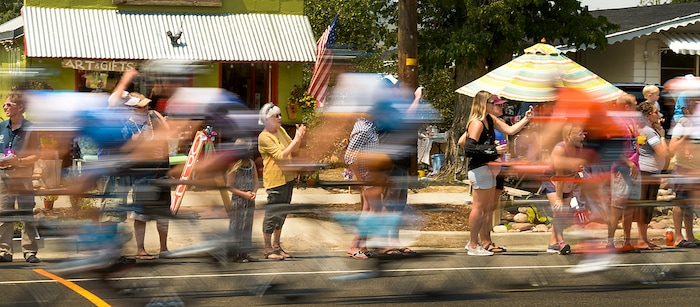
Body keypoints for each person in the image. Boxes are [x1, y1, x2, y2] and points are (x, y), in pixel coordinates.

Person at [475, 94, 533, 253]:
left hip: (499, 168)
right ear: (488, 106)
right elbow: (465, 142)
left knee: (491, 208)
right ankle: (484, 242)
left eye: (502, 105)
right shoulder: (482, 123)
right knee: (485, 208)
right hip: (488, 168)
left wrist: (526, 119)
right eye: (498, 105)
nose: (501, 107)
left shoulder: (498, 123)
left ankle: (488, 241)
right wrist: (489, 148)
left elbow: (511, 131)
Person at [459, 91, 508, 256]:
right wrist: (493, 149)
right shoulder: (477, 122)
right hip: (479, 168)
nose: (497, 104)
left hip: (487, 169)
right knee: (479, 208)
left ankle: (475, 243)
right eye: (492, 101)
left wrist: (492, 147)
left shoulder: (488, 121)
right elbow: (468, 148)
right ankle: (473, 244)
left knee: (485, 209)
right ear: (483, 103)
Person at [258, 102, 306, 260]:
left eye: (280, 115)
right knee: (272, 214)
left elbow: (293, 148)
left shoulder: (280, 130)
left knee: (282, 213)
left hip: (288, 177)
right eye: (276, 116)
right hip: (275, 180)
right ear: (267, 119)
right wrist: (296, 139)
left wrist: (299, 138)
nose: (280, 118)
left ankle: (277, 246)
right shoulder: (264, 137)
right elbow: (280, 155)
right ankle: (267, 248)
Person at [0, 91, 41, 263]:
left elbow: (37, 154)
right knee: (3, 213)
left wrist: (20, 161)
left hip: (23, 175)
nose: (5, 107)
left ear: (20, 107)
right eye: (4, 104)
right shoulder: (1, 126)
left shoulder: (31, 128)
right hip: (3, 175)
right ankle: (4, 251)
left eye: (9, 104)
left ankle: (29, 252)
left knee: (26, 213)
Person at [540, 123, 587, 255]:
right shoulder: (560, 149)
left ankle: (552, 243)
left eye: (584, 134)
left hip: (568, 180)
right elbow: (559, 176)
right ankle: (561, 242)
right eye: (580, 134)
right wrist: (559, 198)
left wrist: (578, 170)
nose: (583, 137)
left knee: (561, 213)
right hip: (553, 180)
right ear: (569, 135)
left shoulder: (579, 147)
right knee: (559, 211)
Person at [606, 94, 643, 252]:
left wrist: (640, 141)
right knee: (617, 207)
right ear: (626, 107)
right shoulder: (615, 123)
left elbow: (634, 141)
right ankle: (610, 242)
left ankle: (627, 241)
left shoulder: (632, 120)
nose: (637, 106)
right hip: (622, 169)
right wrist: (628, 162)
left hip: (635, 167)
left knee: (630, 207)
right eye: (635, 104)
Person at [635, 100, 670, 250]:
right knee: (645, 206)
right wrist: (662, 135)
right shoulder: (649, 132)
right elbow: (662, 152)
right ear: (648, 115)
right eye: (656, 112)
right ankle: (641, 240)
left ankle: (644, 239)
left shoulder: (647, 130)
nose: (659, 115)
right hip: (647, 172)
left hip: (651, 172)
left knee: (647, 206)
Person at [343, 116, 379, 259]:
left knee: (367, 209)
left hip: (371, 174)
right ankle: (353, 246)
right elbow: (349, 156)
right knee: (373, 210)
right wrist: (361, 180)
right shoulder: (363, 128)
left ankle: (362, 245)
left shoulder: (369, 125)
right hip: (367, 175)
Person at [668, 95, 700, 248]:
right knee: (680, 202)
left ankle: (690, 236)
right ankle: (678, 237)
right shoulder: (681, 125)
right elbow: (672, 147)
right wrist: (685, 139)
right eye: (696, 103)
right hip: (682, 169)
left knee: (690, 204)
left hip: (696, 170)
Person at [225, 139, 259, 262]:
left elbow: (256, 181)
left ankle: (244, 253)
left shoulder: (251, 163)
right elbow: (229, 186)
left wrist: (254, 191)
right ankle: (235, 254)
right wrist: (244, 194)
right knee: (237, 226)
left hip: (249, 200)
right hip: (239, 201)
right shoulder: (235, 165)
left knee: (247, 226)